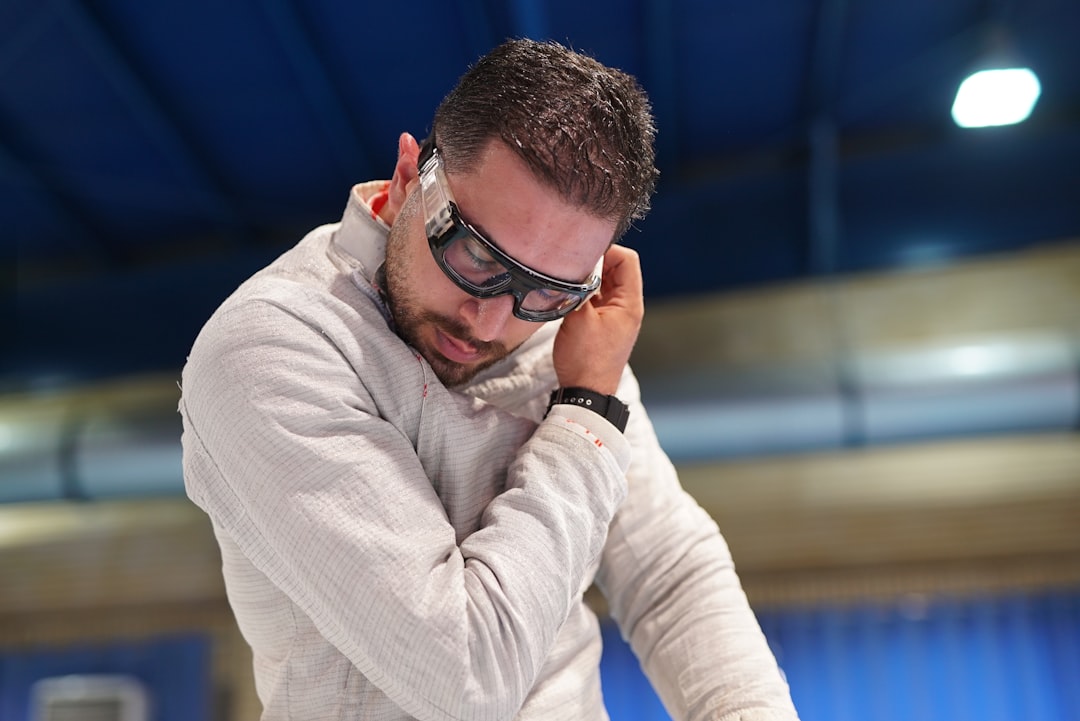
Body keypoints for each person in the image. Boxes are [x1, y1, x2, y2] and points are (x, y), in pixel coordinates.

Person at [180, 38, 799, 721]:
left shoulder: (567, 340)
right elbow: (466, 678)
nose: (491, 320)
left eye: (548, 290)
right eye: (475, 256)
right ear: (410, 176)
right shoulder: (274, 345)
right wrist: (586, 414)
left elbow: (669, 574)